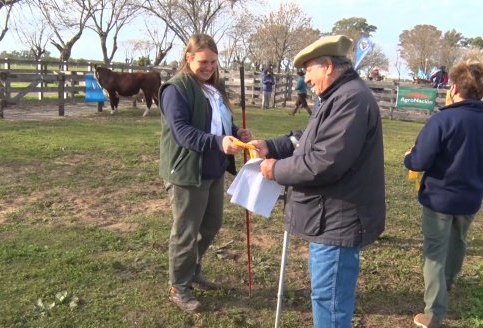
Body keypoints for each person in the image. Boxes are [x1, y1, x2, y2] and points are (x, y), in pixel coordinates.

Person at [249, 35, 386, 327]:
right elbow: (308, 138)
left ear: (327, 66)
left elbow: (324, 162)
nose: (306, 78)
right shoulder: (336, 96)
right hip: (329, 216)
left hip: (338, 219)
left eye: (308, 69)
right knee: (326, 296)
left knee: (330, 302)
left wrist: (277, 170)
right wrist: (272, 146)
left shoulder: (350, 100)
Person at [158, 33, 252, 314]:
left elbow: (220, 122)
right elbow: (183, 132)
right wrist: (219, 142)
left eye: (213, 62)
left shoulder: (213, 88)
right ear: (188, 58)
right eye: (203, 61)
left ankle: (192, 271)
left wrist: (235, 132)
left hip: (213, 169)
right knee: (186, 232)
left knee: (211, 224)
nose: (209, 67)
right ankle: (179, 286)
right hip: (188, 170)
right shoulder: (176, 89)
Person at [404, 59, 483, 328]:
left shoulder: (443, 119)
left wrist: (409, 159)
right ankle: (447, 284)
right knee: (458, 242)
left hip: (440, 198)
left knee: (435, 252)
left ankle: (434, 313)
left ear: (455, 88)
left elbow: (420, 160)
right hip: (470, 197)